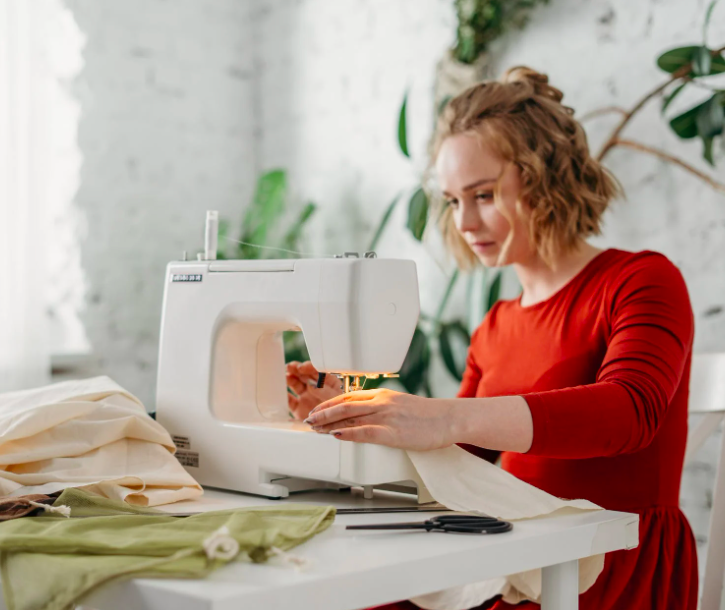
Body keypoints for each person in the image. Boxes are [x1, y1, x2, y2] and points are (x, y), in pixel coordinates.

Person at [285, 66, 698, 610]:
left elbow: (631, 411)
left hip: (606, 564)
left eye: (482, 194)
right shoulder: (496, 324)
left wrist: (445, 417)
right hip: (521, 551)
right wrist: (351, 416)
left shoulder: (640, 280)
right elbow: (460, 458)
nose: (464, 222)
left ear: (547, 178)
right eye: (454, 201)